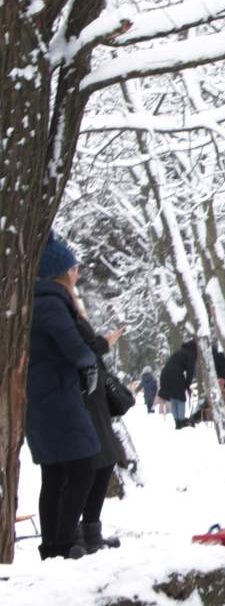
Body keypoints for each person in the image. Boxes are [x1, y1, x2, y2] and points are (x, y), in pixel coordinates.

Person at [27, 233, 101, 559]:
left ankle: (54, 547)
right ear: (59, 273)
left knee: (55, 473)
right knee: (83, 468)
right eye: (73, 269)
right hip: (57, 398)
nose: (77, 275)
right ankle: (63, 541)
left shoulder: (40, 301)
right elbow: (75, 349)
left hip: (43, 397)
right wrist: (92, 356)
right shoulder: (51, 303)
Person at [70, 291, 133, 554]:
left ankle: (91, 532)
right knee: (84, 470)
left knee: (104, 464)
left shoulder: (75, 316)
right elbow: (78, 351)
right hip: (79, 400)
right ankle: (72, 533)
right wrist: (103, 343)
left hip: (95, 400)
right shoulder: (60, 315)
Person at [159, 338, 197, 429]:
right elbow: (190, 372)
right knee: (180, 399)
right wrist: (187, 385)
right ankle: (181, 422)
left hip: (165, 373)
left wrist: (186, 385)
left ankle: (177, 422)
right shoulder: (190, 354)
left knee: (173, 398)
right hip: (175, 374)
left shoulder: (179, 352)